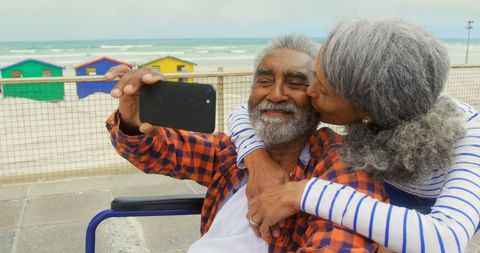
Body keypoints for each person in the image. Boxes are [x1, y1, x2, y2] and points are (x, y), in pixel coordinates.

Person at [105, 35, 387, 252]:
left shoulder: (341, 163)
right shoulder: (231, 153)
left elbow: (338, 244)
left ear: (317, 95)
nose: (275, 95)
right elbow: (155, 151)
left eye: (296, 83)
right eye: (264, 80)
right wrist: (131, 120)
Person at [228, 19, 480, 253]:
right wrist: (257, 158)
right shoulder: (376, 113)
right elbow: (242, 112)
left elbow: (445, 237)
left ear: (367, 109)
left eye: (323, 89)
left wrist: (303, 193)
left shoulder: (470, 135)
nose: (310, 90)